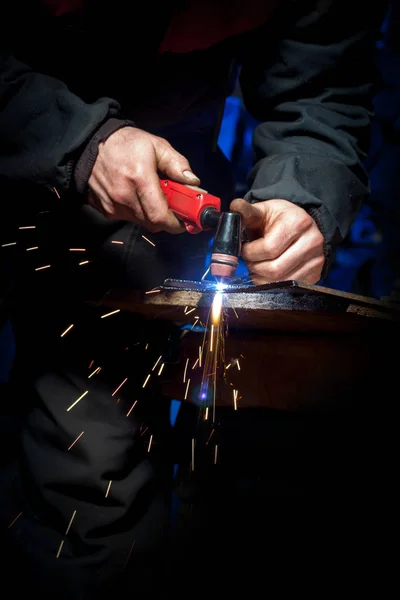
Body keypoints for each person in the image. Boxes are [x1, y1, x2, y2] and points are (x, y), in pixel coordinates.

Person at [0, 1, 388, 597]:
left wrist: (303, 198)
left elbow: (323, 89)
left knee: (250, 501)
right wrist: (74, 141)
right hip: (34, 174)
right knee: (91, 493)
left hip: (182, 178)